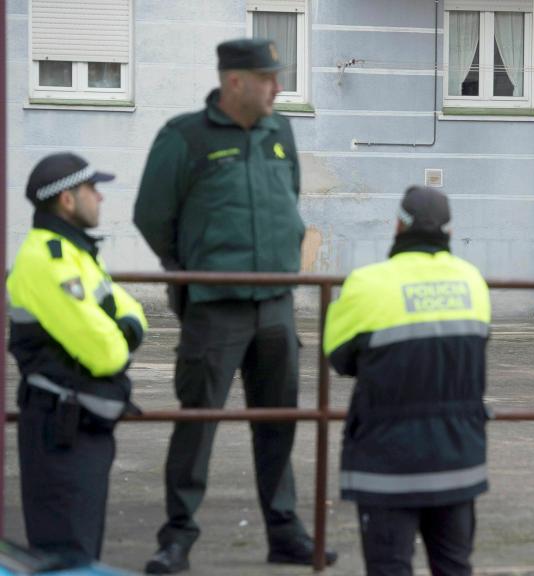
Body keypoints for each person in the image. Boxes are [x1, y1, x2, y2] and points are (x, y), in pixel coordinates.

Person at [134, 38, 335, 573]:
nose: (277, 86)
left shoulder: (279, 131)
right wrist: (188, 272)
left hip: (274, 304)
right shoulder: (185, 137)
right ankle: (177, 536)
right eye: (268, 78)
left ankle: (284, 531)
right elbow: (153, 216)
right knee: (198, 423)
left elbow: (287, 197)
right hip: (215, 308)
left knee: (279, 421)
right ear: (235, 83)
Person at [323, 186, 491, 576]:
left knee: (390, 568)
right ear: (448, 231)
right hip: (458, 457)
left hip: (388, 461)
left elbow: (341, 359)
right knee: (453, 566)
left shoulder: (366, 283)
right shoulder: (473, 282)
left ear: (398, 224)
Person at [7, 153, 148, 566]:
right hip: (59, 428)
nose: (100, 198)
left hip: (80, 423)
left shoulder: (77, 254)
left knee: (81, 551)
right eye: (92, 189)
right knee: (66, 554)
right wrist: (120, 334)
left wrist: (121, 330)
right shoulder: (46, 259)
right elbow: (104, 352)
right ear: (67, 199)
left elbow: (135, 314)